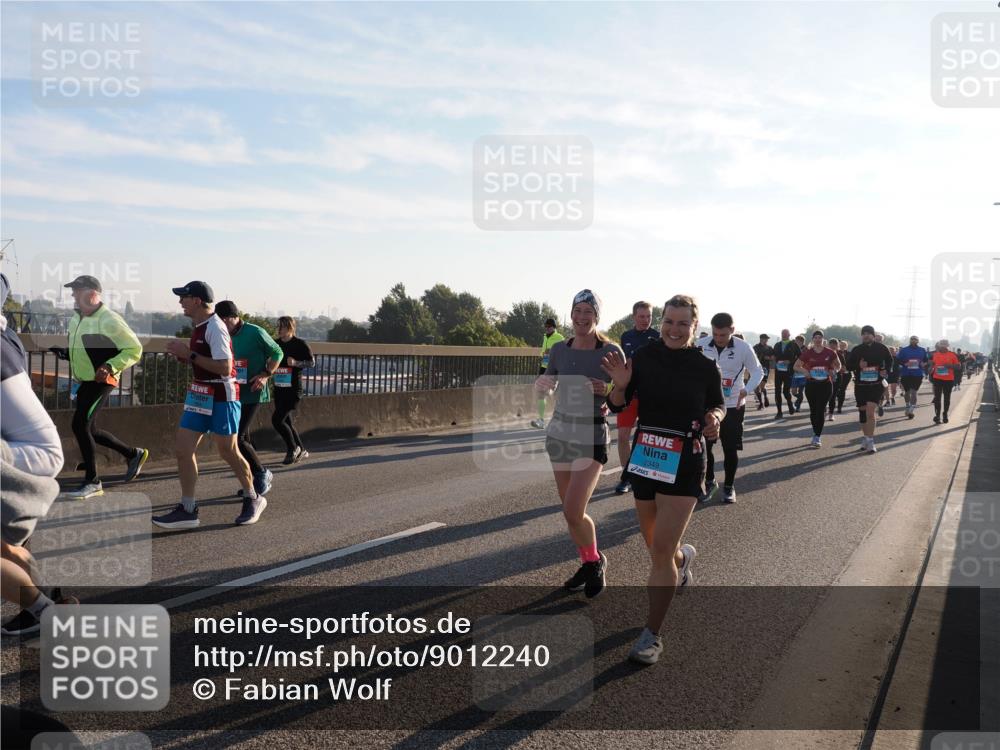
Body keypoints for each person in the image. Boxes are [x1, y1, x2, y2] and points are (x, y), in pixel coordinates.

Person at [602, 294, 723, 665]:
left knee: (657, 554)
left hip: (686, 460)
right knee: (657, 546)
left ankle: (651, 635)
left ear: (694, 328)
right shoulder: (645, 358)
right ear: (661, 324)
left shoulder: (705, 367)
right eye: (669, 321)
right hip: (646, 457)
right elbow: (619, 405)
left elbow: (717, 403)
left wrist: (715, 418)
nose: (674, 329)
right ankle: (682, 558)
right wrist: (620, 384)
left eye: (682, 323)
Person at [152, 281, 266, 529]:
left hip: (222, 395)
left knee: (228, 451)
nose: (180, 301)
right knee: (183, 450)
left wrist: (189, 353)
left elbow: (225, 367)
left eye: (184, 297)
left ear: (196, 300)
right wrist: (186, 358)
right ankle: (188, 509)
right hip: (200, 393)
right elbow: (205, 360)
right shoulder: (199, 325)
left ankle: (253, 497)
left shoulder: (215, 326)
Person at [1, 274, 76, 636]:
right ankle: (50, 605)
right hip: (18, 452)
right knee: (7, 549)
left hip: (31, 455)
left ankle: (47, 610)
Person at [535, 290, 621, 600]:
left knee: (574, 509)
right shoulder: (558, 349)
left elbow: (625, 394)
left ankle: (596, 561)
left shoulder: (611, 352)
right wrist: (541, 387)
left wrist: (608, 387)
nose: (582, 317)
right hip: (560, 433)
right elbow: (546, 384)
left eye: (588, 311)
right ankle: (589, 562)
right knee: (570, 513)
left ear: (597, 316)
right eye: (578, 310)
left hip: (592, 435)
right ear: (571, 314)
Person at [52, 275, 147, 500]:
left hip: (102, 380)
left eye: (77, 290)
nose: (73, 295)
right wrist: (67, 354)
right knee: (90, 429)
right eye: (73, 291)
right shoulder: (77, 319)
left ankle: (93, 481)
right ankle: (133, 454)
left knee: (79, 425)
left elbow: (134, 349)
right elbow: (87, 349)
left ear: (93, 293)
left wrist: (110, 365)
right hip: (85, 380)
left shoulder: (109, 319)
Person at [215, 301, 283, 496]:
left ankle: (262, 473)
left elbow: (278, 352)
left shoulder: (255, 332)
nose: (221, 325)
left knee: (238, 438)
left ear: (231, 318)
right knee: (243, 439)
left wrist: (265, 374)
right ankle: (251, 483)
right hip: (233, 391)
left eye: (223, 320)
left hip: (253, 390)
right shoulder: (222, 334)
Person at [695, 312, 762, 503]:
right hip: (706, 407)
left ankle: (729, 486)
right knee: (704, 448)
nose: (718, 339)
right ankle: (709, 482)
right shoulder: (701, 345)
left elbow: (758, 371)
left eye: (723, 335)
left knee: (729, 449)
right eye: (715, 334)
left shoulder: (743, 348)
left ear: (732, 330)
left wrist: (746, 390)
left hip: (732, 405)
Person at [615, 301, 661, 495]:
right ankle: (627, 476)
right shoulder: (626, 336)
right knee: (623, 436)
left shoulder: (658, 337)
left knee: (646, 438)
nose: (645, 320)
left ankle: (643, 475)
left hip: (650, 395)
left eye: (648, 316)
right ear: (634, 317)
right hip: (629, 394)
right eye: (641, 316)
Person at [272, 316, 315, 464]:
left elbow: (311, 363)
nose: (279, 330)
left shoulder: (299, 344)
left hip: (293, 390)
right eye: (278, 327)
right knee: (287, 422)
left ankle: (292, 449)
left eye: (283, 327)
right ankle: (302, 449)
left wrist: (296, 363)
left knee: (277, 420)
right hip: (279, 389)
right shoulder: (276, 344)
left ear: (290, 328)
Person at [847, 325, 894, 453]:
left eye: (868, 333)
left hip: (876, 384)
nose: (866, 335)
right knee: (862, 413)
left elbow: (890, 361)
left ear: (873, 335)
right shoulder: (857, 349)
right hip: (861, 385)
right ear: (861, 336)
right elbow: (848, 365)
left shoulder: (881, 348)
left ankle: (871, 441)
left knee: (870, 412)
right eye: (864, 333)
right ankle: (866, 437)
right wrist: (858, 365)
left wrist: (885, 370)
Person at [794, 331, 841, 447]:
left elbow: (838, 365)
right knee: (813, 411)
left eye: (820, 337)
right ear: (813, 339)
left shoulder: (830, 352)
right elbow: (796, 366)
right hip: (811, 385)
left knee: (820, 410)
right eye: (816, 337)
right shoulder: (807, 353)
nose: (818, 339)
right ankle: (815, 431)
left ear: (823, 339)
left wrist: (834, 371)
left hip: (825, 385)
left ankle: (817, 436)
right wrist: (805, 371)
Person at [530, 319, 564, 429]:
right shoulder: (545, 337)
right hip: (544, 367)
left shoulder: (559, 338)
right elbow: (543, 352)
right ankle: (541, 420)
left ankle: (559, 417)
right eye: (546, 326)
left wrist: (552, 353)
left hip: (554, 369)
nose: (547, 328)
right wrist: (544, 353)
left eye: (549, 326)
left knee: (552, 394)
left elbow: (564, 352)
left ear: (554, 327)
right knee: (541, 392)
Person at [896, 336, 929, 420]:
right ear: (910, 340)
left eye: (915, 339)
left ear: (918, 341)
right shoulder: (904, 350)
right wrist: (904, 364)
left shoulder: (922, 350)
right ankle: (907, 405)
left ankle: (911, 410)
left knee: (914, 392)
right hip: (906, 374)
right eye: (912, 339)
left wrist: (923, 364)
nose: (913, 340)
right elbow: (898, 360)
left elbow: (926, 360)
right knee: (907, 392)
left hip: (917, 374)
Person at [929, 340, 961, 424]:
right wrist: (930, 368)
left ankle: (945, 414)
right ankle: (937, 416)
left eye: (944, 345)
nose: (943, 347)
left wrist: (949, 366)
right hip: (937, 378)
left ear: (947, 346)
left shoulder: (952, 355)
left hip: (948, 379)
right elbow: (932, 364)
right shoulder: (935, 355)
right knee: (937, 398)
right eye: (941, 345)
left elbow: (958, 366)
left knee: (947, 398)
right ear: (939, 346)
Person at [771, 330, 800, 419]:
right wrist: (773, 358)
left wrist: (791, 361)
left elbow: (800, 356)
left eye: (785, 334)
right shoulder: (777, 345)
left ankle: (790, 404)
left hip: (789, 372)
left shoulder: (793, 345)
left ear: (789, 335)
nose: (783, 335)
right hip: (778, 371)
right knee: (777, 391)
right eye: (782, 334)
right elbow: (773, 355)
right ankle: (779, 412)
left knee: (786, 391)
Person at [752, 334, 773, 410]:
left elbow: (773, 357)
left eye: (767, 339)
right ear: (761, 339)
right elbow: (751, 357)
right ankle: (761, 403)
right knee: (756, 387)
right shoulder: (755, 347)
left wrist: (769, 358)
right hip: (756, 369)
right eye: (765, 339)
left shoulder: (769, 348)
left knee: (762, 386)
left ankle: (766, 397)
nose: (767, 340)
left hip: (765, 368)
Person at [791, 335, 807, 412]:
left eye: (796, 341)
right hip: (795, 373)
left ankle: (798, 406)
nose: (795, 342)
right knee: (793, 392)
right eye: (795, 340)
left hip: (803, 373)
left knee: (800, 391)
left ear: (801, 341)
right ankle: (798, 400)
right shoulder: (793, 348)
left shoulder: (805, 349)